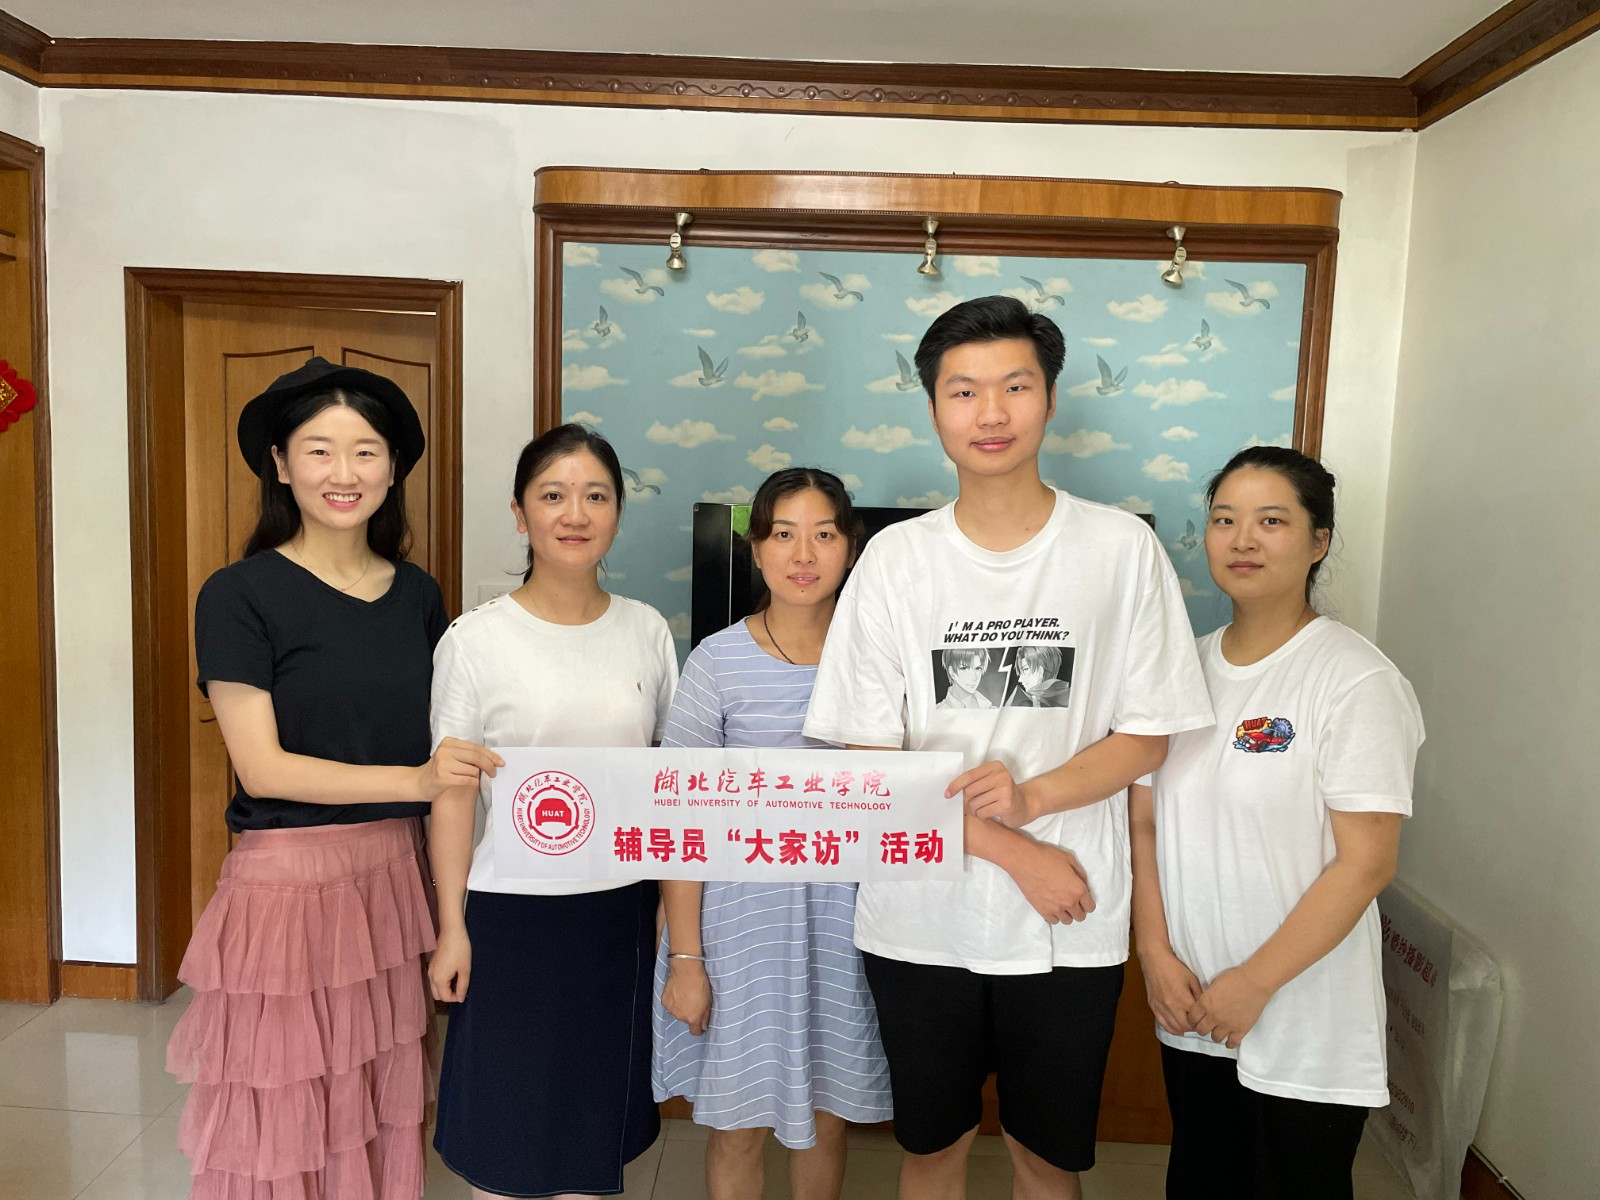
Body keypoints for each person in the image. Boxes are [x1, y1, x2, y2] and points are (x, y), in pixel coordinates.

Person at [803, 296, 1214, 1200]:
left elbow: (1149, 734)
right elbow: (868, 763)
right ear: (933, 409)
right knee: (931, 1151)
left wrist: (1034, 800)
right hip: (919, 919)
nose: (990, 413)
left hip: (1072, 920)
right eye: (964, 391)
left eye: (1015, 387)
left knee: (1045, 1158)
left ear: (1051, 400)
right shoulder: (895, 561)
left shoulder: (1121, 550)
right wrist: (1010, 846)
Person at [165, 356, 501, 1200]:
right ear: (281, 465)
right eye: (319, 450)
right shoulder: (238, 594)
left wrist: (449, 895)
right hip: (288, 888)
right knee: (285, 1113)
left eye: (364, 451)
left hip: (394, 876)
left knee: (372, 1107)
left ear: (392, 469)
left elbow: (445, 742)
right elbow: (262, 765)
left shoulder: (418, 595)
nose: (343, 472)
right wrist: (418, 781)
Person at [1130, 446, 1423, 1200]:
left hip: (1302, 1018)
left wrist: (1255, 982)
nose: (1242, 540)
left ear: (1318, 541)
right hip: (1194, 1007)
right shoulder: (1181, 672)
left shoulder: (1355, 680)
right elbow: (1145, 820)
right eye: (1224, 520)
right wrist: (1154, 952)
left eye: (1271, 521)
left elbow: (1367, 862)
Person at [427, 423, 678, 1199]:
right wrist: (451, 927)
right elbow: (452, 794)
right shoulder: (474, 641)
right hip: (509, 918)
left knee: (591, 1144)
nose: (575, 513)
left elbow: (667, 781)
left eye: (596, 496)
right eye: (553, 495)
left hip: (617, 915)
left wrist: (668, 920)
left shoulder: (647, 631)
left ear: (618, 513)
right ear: (520, 512)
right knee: (504, 1140)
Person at [653, 467, 892, 1200]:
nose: (803, 554)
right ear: (755, 550)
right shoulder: (716, 662)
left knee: (827, 1115)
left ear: (851, 548)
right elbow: (681, 819)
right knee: (737, 1125)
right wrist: (686, 958)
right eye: (783, 534)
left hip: (850, 926)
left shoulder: (882, 660)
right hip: (737, 931)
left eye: (824, 534)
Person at [1002, 645, 1072, 709]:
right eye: (1021, 673)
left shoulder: (1025, 701)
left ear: (1042, 669)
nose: (1020, 680)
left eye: (1026, 669)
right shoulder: (1070, 697)